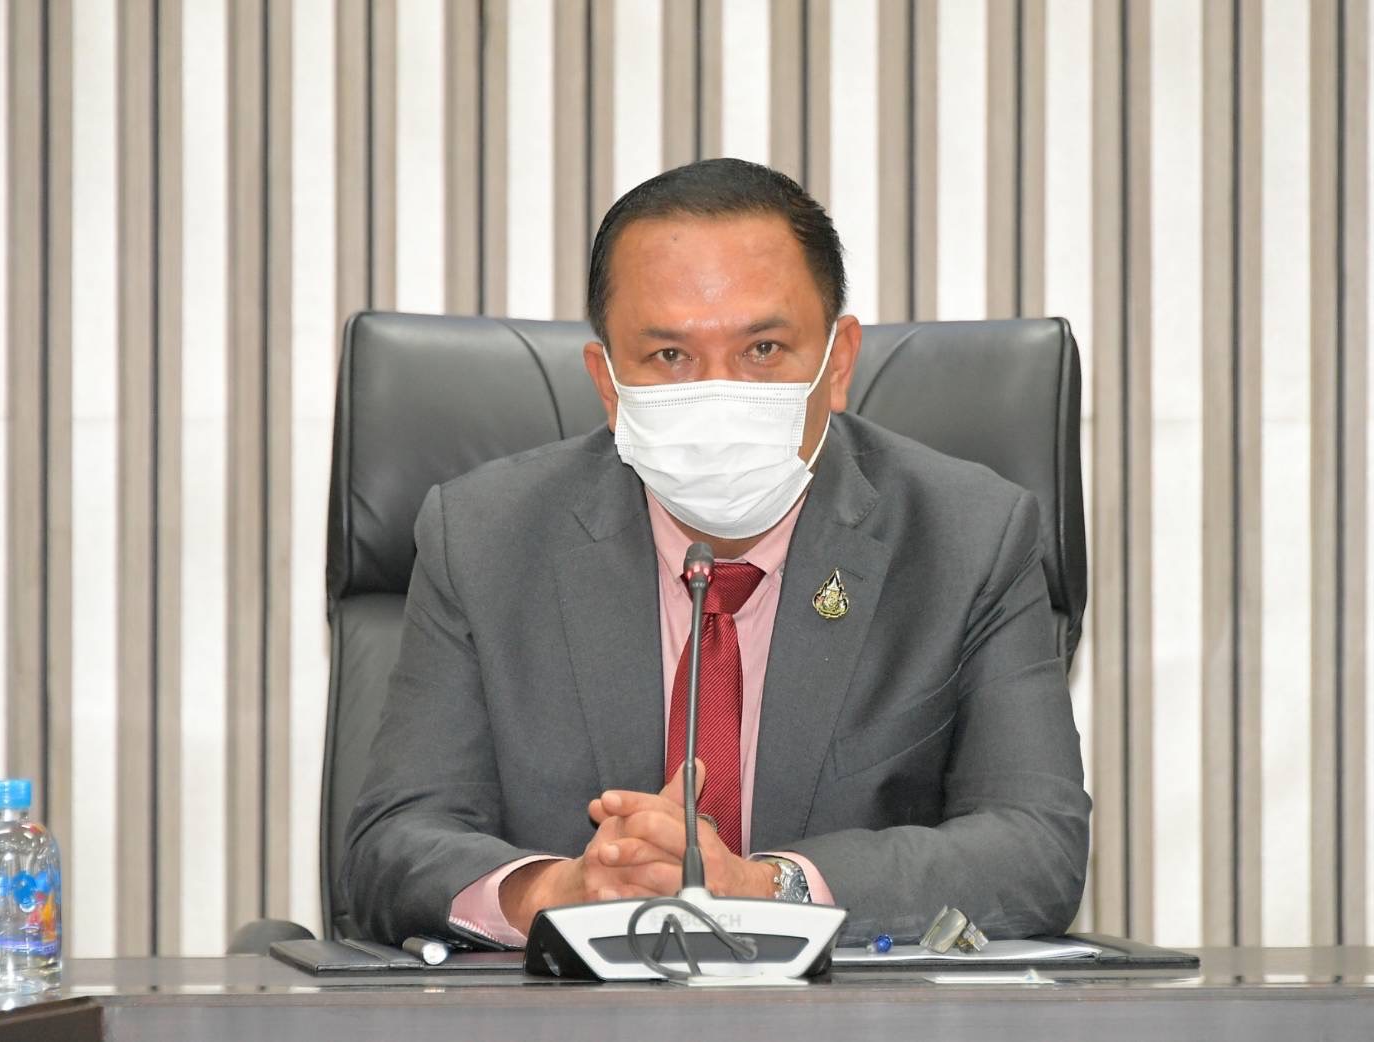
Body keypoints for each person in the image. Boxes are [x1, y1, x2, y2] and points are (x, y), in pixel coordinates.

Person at [342, 158, 1090, 948]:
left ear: (837, 362)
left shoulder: (967, 536)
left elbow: (1033, 848)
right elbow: (396, 841)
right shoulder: (484, 536)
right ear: (607, 382)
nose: (719, 392)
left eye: (763, 348)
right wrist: (555, 891)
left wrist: (767, 889)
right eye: (669, 356)